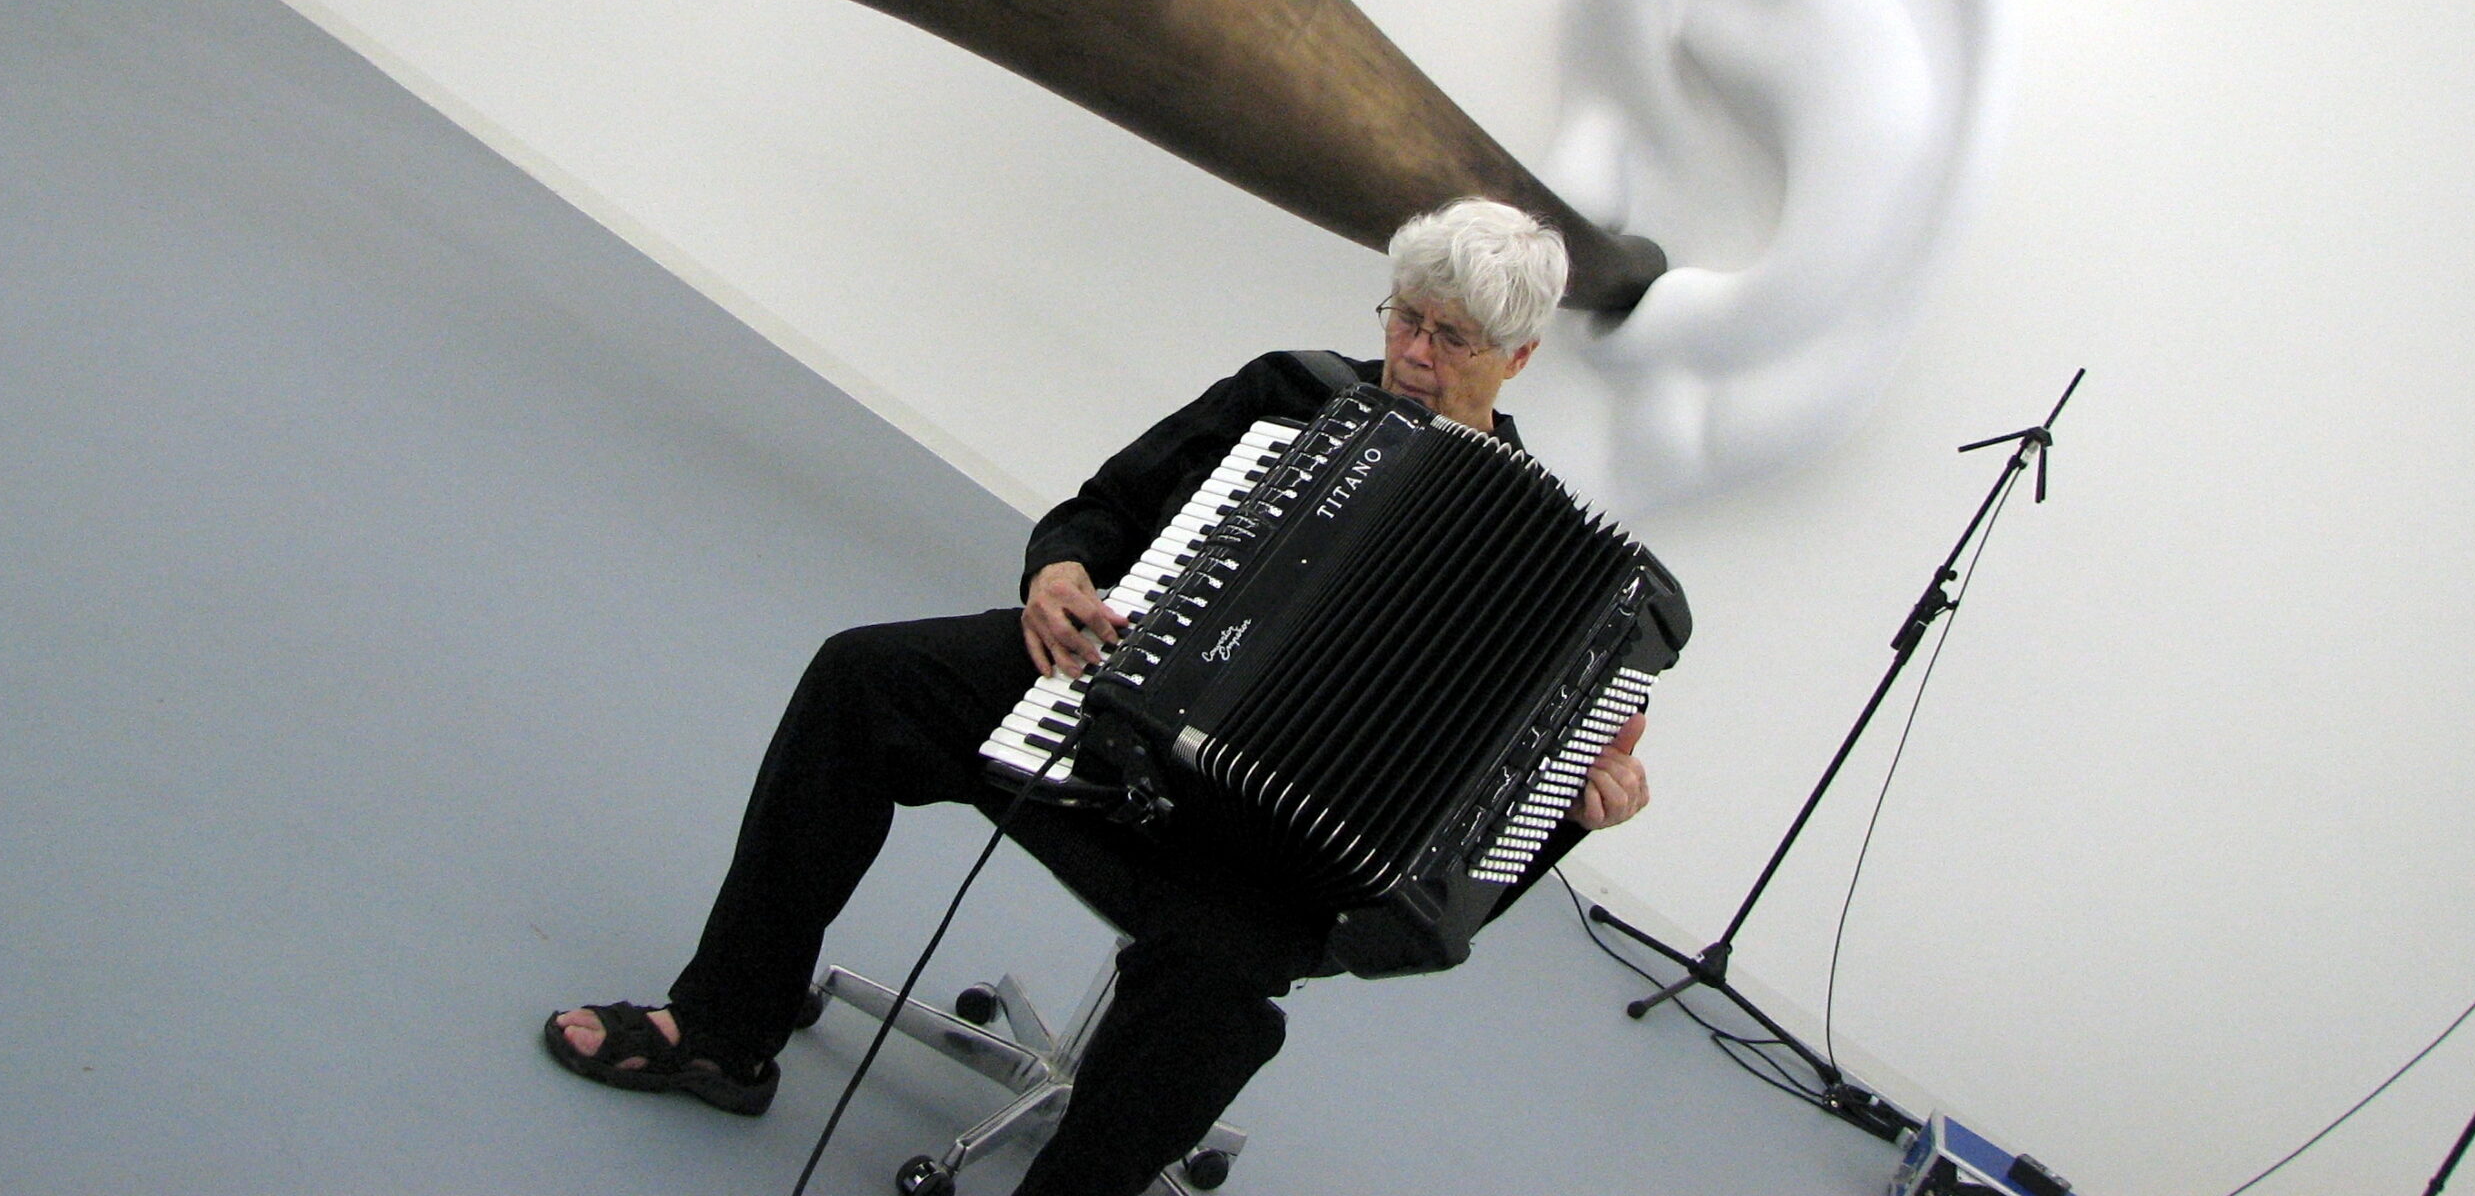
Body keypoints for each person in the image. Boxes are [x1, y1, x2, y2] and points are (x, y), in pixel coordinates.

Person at [543, 199, 1650, 1194]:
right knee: (864, 679)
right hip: (1106, 719)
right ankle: (726, 1027)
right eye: (1402, 316)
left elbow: (1469, 844)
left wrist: (1575, 807)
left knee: (1217, 1002)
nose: (1409, 353)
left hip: (1261, 862)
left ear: (1516, 359)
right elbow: (1103, 510)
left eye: (1449, 338)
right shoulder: (1292, 393)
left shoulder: (1545, 576)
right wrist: (1058, 572)